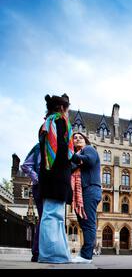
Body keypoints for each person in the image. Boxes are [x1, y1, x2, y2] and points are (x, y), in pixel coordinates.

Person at [38, 94, 73, 264]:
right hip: (56, 176)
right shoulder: (58, 122)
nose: (68, 113)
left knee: (55, 216)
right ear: (61, 108)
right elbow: (62, 151)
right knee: (52, 215)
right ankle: (51, 255)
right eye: (68, 109)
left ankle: (59, 254)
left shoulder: (46, 124)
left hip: (50, 176)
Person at [70, 132, 102, 264]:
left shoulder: (89, 149)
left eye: (80, 137)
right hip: (81, 193)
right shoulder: (77, 156)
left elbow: (89, 160)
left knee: (88, 224)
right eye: (74, 138)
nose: (77, 139)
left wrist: (72, 157)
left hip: (90, 189)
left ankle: (86, 255)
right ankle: (85, 254)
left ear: (85, 140)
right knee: (84, 223)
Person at [21, 143, 42, 262]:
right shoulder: (39, 147)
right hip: (40, 187)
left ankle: (38, 252)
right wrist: (37, 178)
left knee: (45, 218)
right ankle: (37, 252)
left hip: (52, 188)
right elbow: (25, 166)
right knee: (44, 218)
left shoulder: (58, 147)